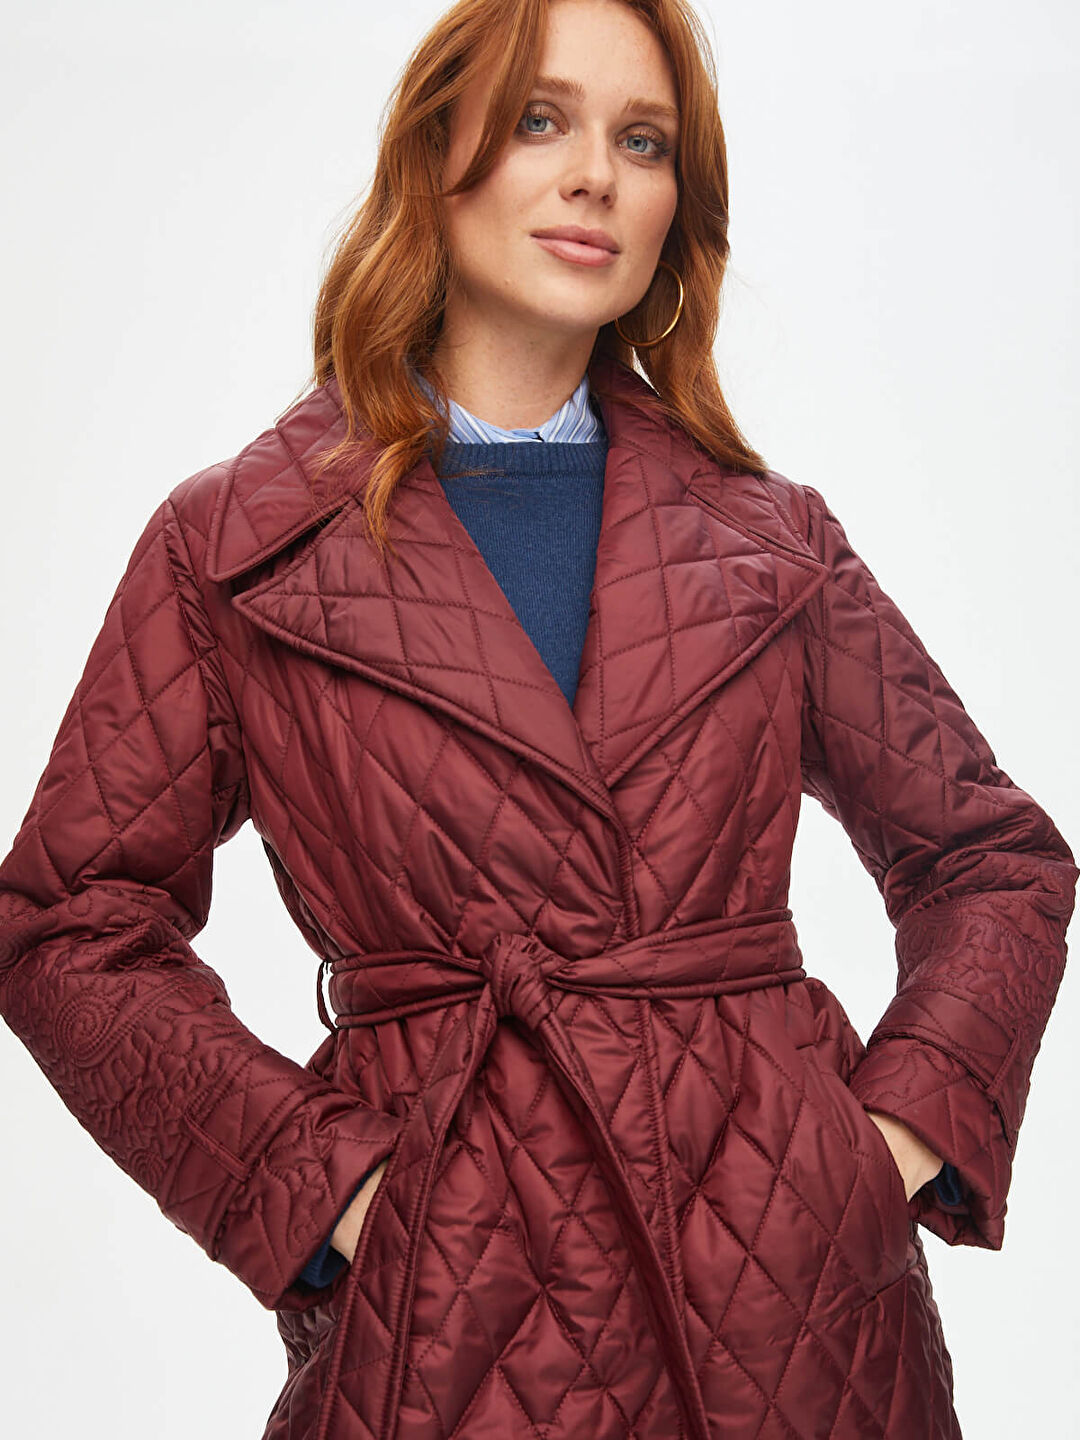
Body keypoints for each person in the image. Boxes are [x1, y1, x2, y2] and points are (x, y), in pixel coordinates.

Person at [0, 0, 1075, 1435]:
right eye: (539, 120)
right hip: (452, 1312)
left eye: (644, 142)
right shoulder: (236, 544)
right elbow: (67, 923)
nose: (595, 178)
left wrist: (880, 1147)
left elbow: (991, 858)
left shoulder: (772, 541)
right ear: (432, 155)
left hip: (793, 1310)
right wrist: (325, 1195)